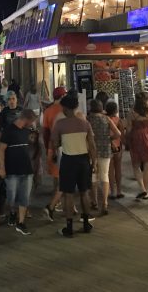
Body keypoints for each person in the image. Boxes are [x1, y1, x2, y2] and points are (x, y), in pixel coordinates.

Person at [47, 93, 97, 238]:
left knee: (68, 194)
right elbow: (92, 145)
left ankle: (69, 227)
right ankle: (86, 223)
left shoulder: (60, 124)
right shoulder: (85, 123)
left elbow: (55, 143)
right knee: (84, 192)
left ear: (65, 108)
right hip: (83, 160)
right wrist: (94, 162)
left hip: (68, 160)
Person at [0, 109, 37, 236]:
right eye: (31, 122)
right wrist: (2, 167)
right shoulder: (9, 130)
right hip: (12, 169)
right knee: (12, 195)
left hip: (26, 169)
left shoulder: (27, 131)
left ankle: (21, 222)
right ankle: (12, 212)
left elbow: (31, 145)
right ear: (26, 119)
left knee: (24, 196)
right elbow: (1, 150)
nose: (32, 124)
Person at [87, 99, 121, 215]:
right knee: (104, 176)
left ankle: (94, 201)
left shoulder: (88, 120)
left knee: (93, 176)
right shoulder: (106, 119)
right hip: (105, 150)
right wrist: (108, 139)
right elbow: (118, 134)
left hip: (91, 152)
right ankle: (105, 203)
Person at [42, 87, 66, 202]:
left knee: (56, 173)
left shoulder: (48, 111)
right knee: (65, 172)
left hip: (52, 144)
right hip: (65, 144)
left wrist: (47, 147)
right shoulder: (66, 110)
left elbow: (45, 132)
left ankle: (56, 197)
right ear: (62, 96)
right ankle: (61, 197)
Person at [105, 100, 126, 200]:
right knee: (118, 169)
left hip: (108, 146)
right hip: (118, 147)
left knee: (110, 170)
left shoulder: (104, 119)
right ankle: (119, 191)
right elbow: (122, 134)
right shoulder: (118, 120)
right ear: (116, 110)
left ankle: (112, 191)